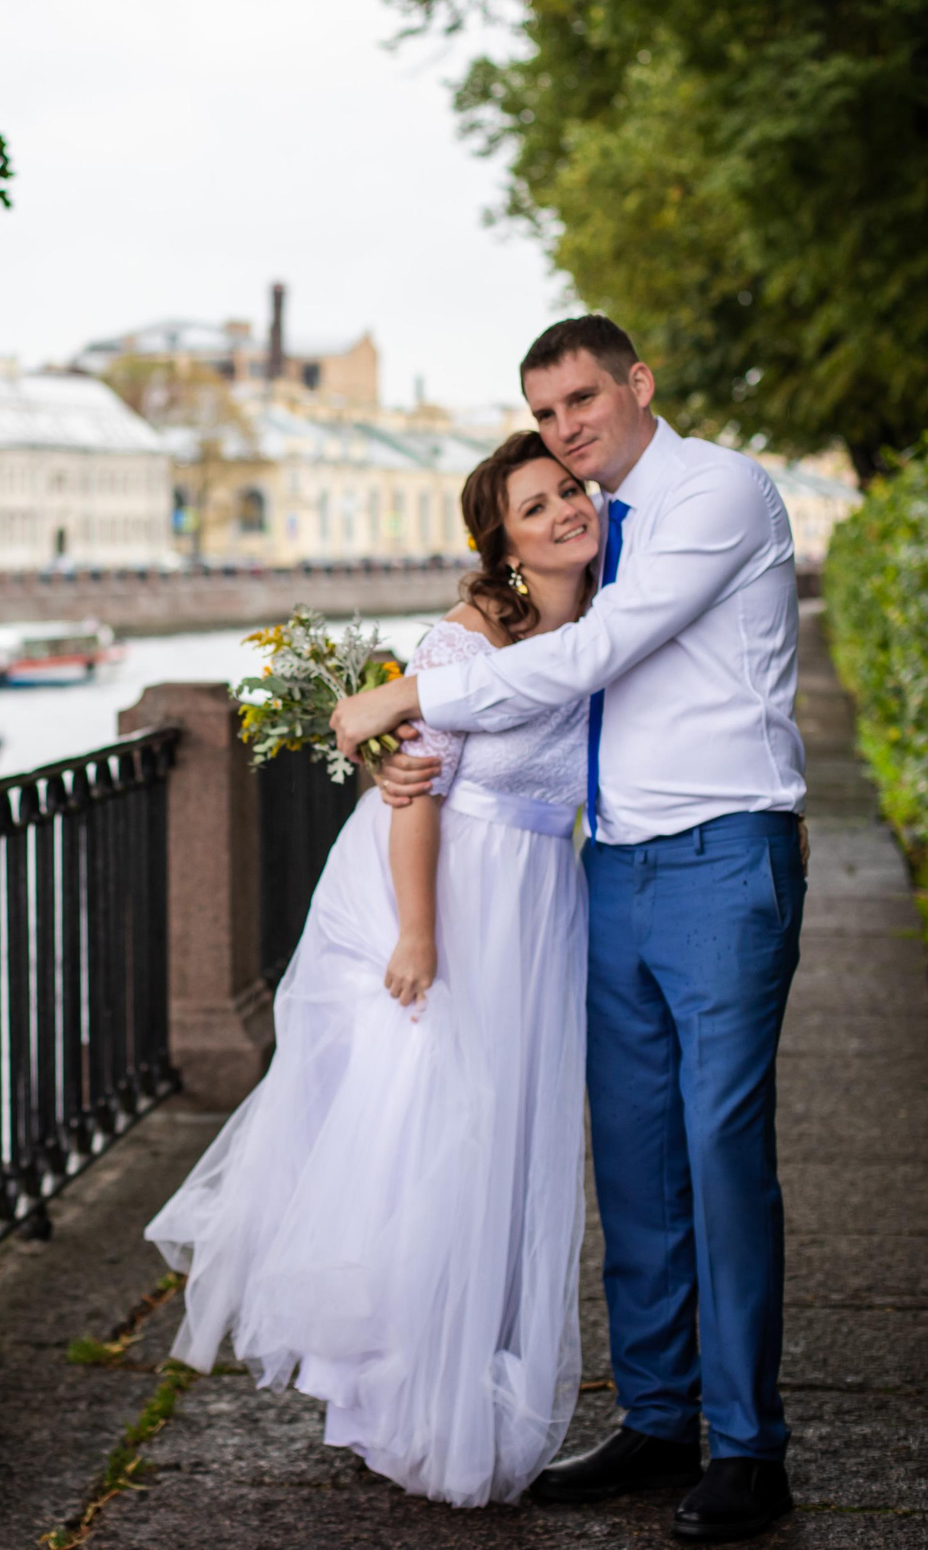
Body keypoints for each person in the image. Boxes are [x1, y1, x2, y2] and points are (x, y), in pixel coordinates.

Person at [330, 314, 808, 1543]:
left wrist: (408, 694)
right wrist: (414, 756)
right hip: (610, 869)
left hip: (722, 854)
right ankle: (657, 1417)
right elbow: (530, 658)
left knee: (719, 1151)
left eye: (582, 400)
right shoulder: (602, 526)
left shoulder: (715, 493)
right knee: (636, 1163)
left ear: (638, 383)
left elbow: (596, 654)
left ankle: (747, 1448)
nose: (566, 429)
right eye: (545, 414)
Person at [146, 430, 601, 1507]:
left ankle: (470, 1376)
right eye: (534, 507)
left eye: (567, 490)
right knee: (435, 1129)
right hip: (450, 887)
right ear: (503, 544)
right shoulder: (462, 639)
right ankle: (399, 1394)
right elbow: (416, 795)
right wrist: (419, 934)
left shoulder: (608, 610)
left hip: (541, 893)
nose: (563, 512)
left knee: (510, 1137)